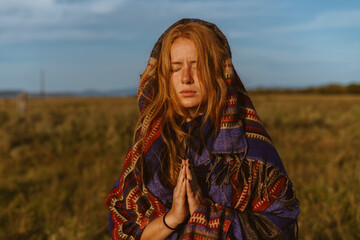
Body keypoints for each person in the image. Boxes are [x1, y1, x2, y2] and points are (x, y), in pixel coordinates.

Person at [106, 18, 300, 240]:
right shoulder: (148, 149)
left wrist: (205, 215)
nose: (186, 78)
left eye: (197, 67)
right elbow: (125, 231)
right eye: (175, 68)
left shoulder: (251, 151)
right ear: (163, 76)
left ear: (218, 72)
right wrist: (173, 218)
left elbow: (279, 227)